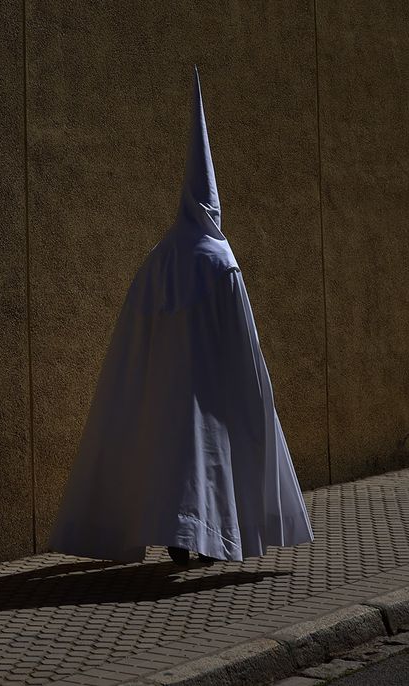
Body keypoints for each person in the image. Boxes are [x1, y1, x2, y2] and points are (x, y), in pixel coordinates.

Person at [48, 67, 313, 565]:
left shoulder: (160, 258)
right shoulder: (220, 261)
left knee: (173, 462)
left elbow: (134, 331)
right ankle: (214, 536)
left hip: (165, 387)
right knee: (209, 463)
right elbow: (242, 333)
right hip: (211, 388)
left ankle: (181, 537)